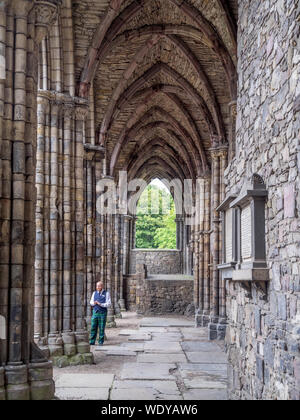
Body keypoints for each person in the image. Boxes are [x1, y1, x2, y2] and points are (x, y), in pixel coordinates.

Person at [89, 281, 111, 347]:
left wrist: (101, 304)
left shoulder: (106, 293)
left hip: (103, 312)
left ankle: (100, 341)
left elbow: (109, 304)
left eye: (99, 286)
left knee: (101, 327)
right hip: (95, 312)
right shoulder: (94, 293)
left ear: (102, 286)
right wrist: (94, 303)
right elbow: (91, 302)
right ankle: (92, 341)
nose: (97, 287)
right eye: (97, 286)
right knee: (93, 326)